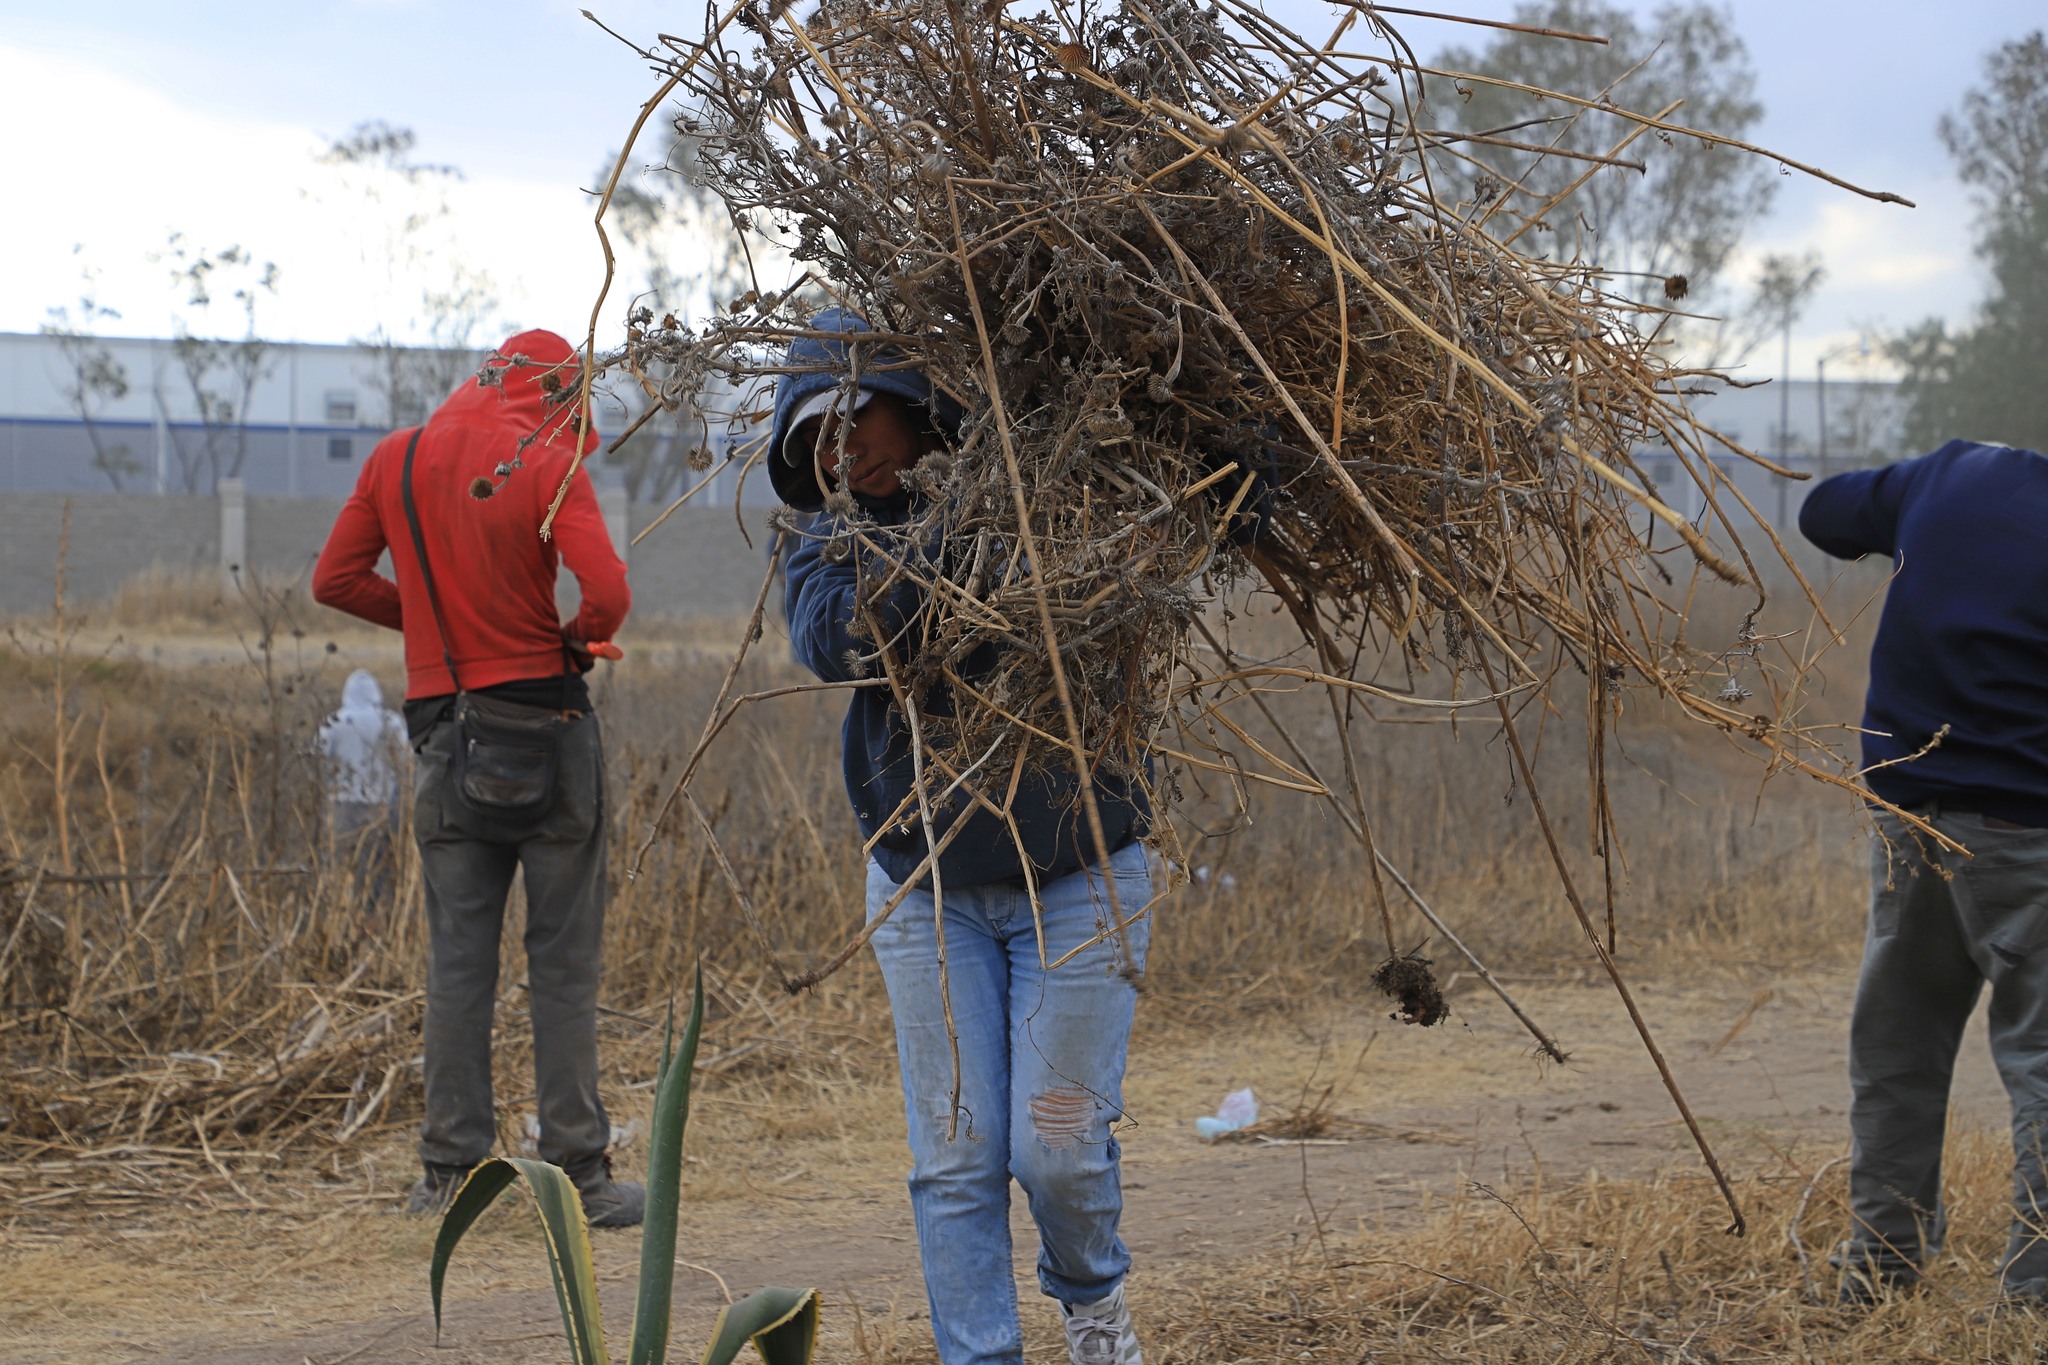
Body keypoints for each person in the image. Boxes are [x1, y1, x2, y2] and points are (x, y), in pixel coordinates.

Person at [775, 310, 1153, 1365]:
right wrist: (954, 527)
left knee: (1057, 1148)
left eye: (854, 418)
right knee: (954, 1157)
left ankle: (1091, 1304)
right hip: (923, 886)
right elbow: (843, 638)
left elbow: (1161, 542)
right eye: (814, 439)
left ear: (913, 398)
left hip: (1081, 874)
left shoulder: (1055, 498)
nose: (840, 450)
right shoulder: (825, 543)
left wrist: (1007, 492)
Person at [312, 328, 641, 1227]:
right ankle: (580, 1173)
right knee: (562, 963)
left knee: (458, 963)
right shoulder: (544, 456)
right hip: (548, 731)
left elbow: (334, 579)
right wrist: (572, 637)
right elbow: (607, 590)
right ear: (557, 397)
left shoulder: (396, 457)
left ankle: (447, 1174)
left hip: (440, 735)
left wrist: (420, 621)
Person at [1800, 438, 2048, 1306]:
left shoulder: (1952, 474)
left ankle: (1878, 1272)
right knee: (2045, 1064)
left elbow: (1824, 511)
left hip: (1909, 821)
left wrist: (1917, 515)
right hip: (2028, 836)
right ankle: (2036, 1297)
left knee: (1898, 1053)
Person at [317, 668, 407, 917]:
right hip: (380, 806)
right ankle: (372, 915)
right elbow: (406, 759)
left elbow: (318, 758)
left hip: (343, 805)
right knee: (377, 865)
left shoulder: (335, 722)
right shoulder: (390, 722)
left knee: (341, 864)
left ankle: (341, 914)